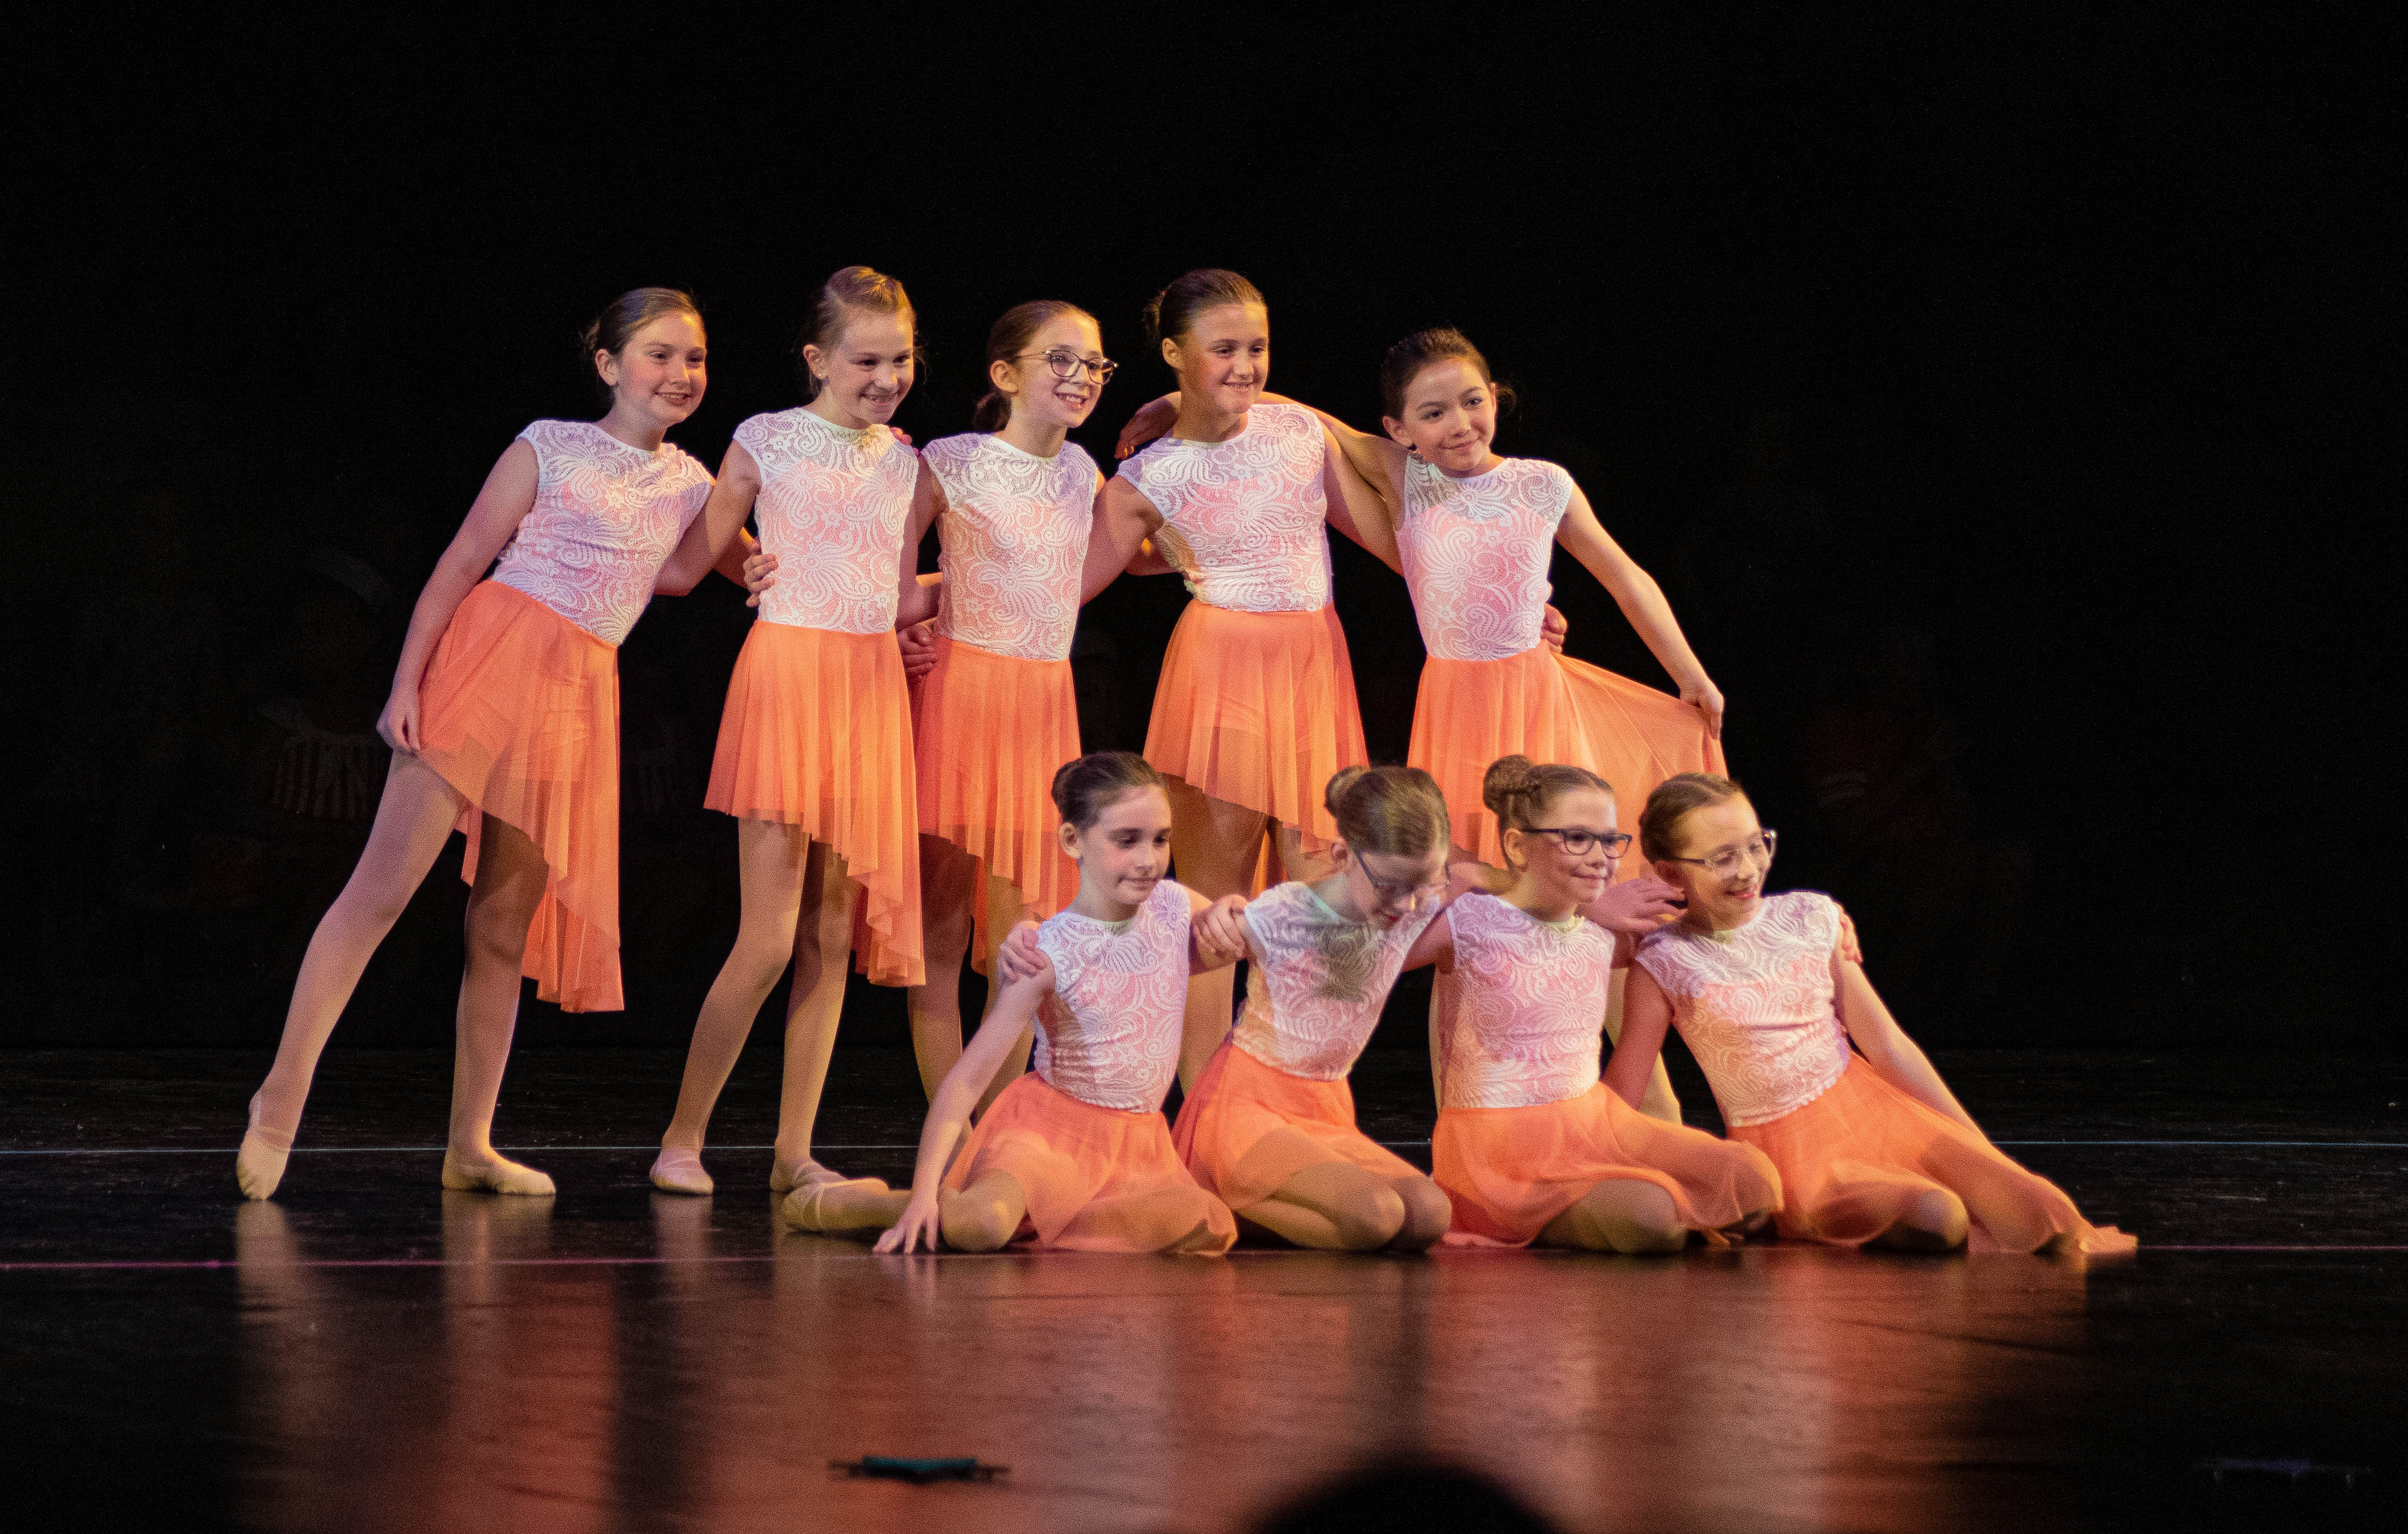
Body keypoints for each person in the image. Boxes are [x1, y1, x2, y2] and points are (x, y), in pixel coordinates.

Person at [237, 288, 724, 1199]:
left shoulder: (693, 482)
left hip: (577, 693)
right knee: (381, 890)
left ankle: (471, 1144)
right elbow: (461, 562)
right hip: (493, 659)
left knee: (502, 926)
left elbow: (691, 570)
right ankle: (280, 1098)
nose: (679, 373)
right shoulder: (549, 444)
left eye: (693, 357)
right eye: (658, 354)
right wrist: (405, 682)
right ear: (609, 364)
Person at [1083, 268, 1404, 1089]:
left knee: (1324, 901)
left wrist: (1509, 608)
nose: (1246, 365)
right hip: (1220, 672)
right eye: (1223, 348)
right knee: (1212, 906)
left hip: (1314, 669)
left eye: (1257, 347)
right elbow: (1069, 583)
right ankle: (1204, 1106)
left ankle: (1306, 1095)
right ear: (1173, 353)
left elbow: (1389, 537)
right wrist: (930, 607)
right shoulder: (1151, 474)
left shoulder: (1297, 432)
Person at [651, 267, 932, 1198]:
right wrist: (726, 556)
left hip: (868, 688)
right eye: (866, 361)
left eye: (900, 360)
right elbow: (691, 559)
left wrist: (956, 604)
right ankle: (682, 1138)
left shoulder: (906, 461)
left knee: (830, 934)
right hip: (788, 681)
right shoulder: (766, 438)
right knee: (767, 937)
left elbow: (895, 591)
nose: (887, 378)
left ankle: (793, 1150)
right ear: (818, 358)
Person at [1613, 772, 2134, 1255]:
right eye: (1723, 858)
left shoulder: (1809, 916)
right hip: (1796, 1157)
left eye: (1756, 845)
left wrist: (1975, 1148)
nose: (1748, 869)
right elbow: (1626, 1095)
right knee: (1940, 1216)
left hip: (1877, 1115)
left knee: (2034, 1206)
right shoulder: (1663, 960)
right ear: (1671, 873)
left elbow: (1887, 1046)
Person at [788, 753, 1245, 1254]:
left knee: (1206, 1226)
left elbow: (1265, 935)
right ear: (1073, 840)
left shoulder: (1176, 909)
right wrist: (922, 1194)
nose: (1148, 859)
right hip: (1047, 1137)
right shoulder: (1046, 954)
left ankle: (1046, 1215)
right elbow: (967, 1080)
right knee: (979, 1226)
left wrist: (1235, 910)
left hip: (1134, 1146)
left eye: (1160, 839)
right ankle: (861, 1205)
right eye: (1126, 840)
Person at [1423, 758, 1781, 1251]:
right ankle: (1533, 1213)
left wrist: (1814, 929)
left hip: (1589, 1122)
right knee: (1652, 1219)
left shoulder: (1605, 932)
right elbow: (1374, 954)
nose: (1600, 858)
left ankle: (1620, 1200)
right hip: (1500, 1145)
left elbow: (1716, 932)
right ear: (1517, 846)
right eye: (1577, 838)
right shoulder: (1472, 922)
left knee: (1753, 1179)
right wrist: (1469, 877)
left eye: (1610, 841)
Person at [901, 300, 1116, 1106]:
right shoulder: (951, 460)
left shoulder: (1083, 472)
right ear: (1005, 374)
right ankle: (952, 1123)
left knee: (1021, 932)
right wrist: (914, 619)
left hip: (1042, 705)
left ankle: (996, 1123)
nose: (1080, 376)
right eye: (1060, 359)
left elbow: (1114, 559)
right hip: (961, 696)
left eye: (1093, 364)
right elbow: (888, 574)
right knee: (939, 930)